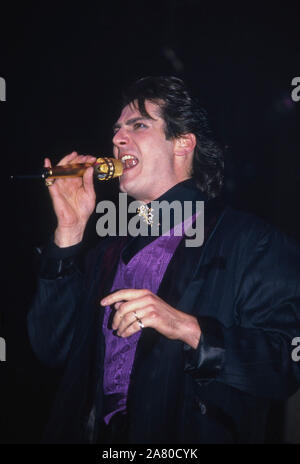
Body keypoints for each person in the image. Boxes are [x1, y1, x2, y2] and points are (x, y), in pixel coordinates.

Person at [27, 76, 300, 444]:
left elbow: (285, 362)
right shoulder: (105, 252)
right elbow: (50, 348)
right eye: (117, 129)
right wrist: (70, 232)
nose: (117, 139)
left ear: (184, 143)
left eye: (138, 125)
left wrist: (188, 328)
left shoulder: (251, 243)